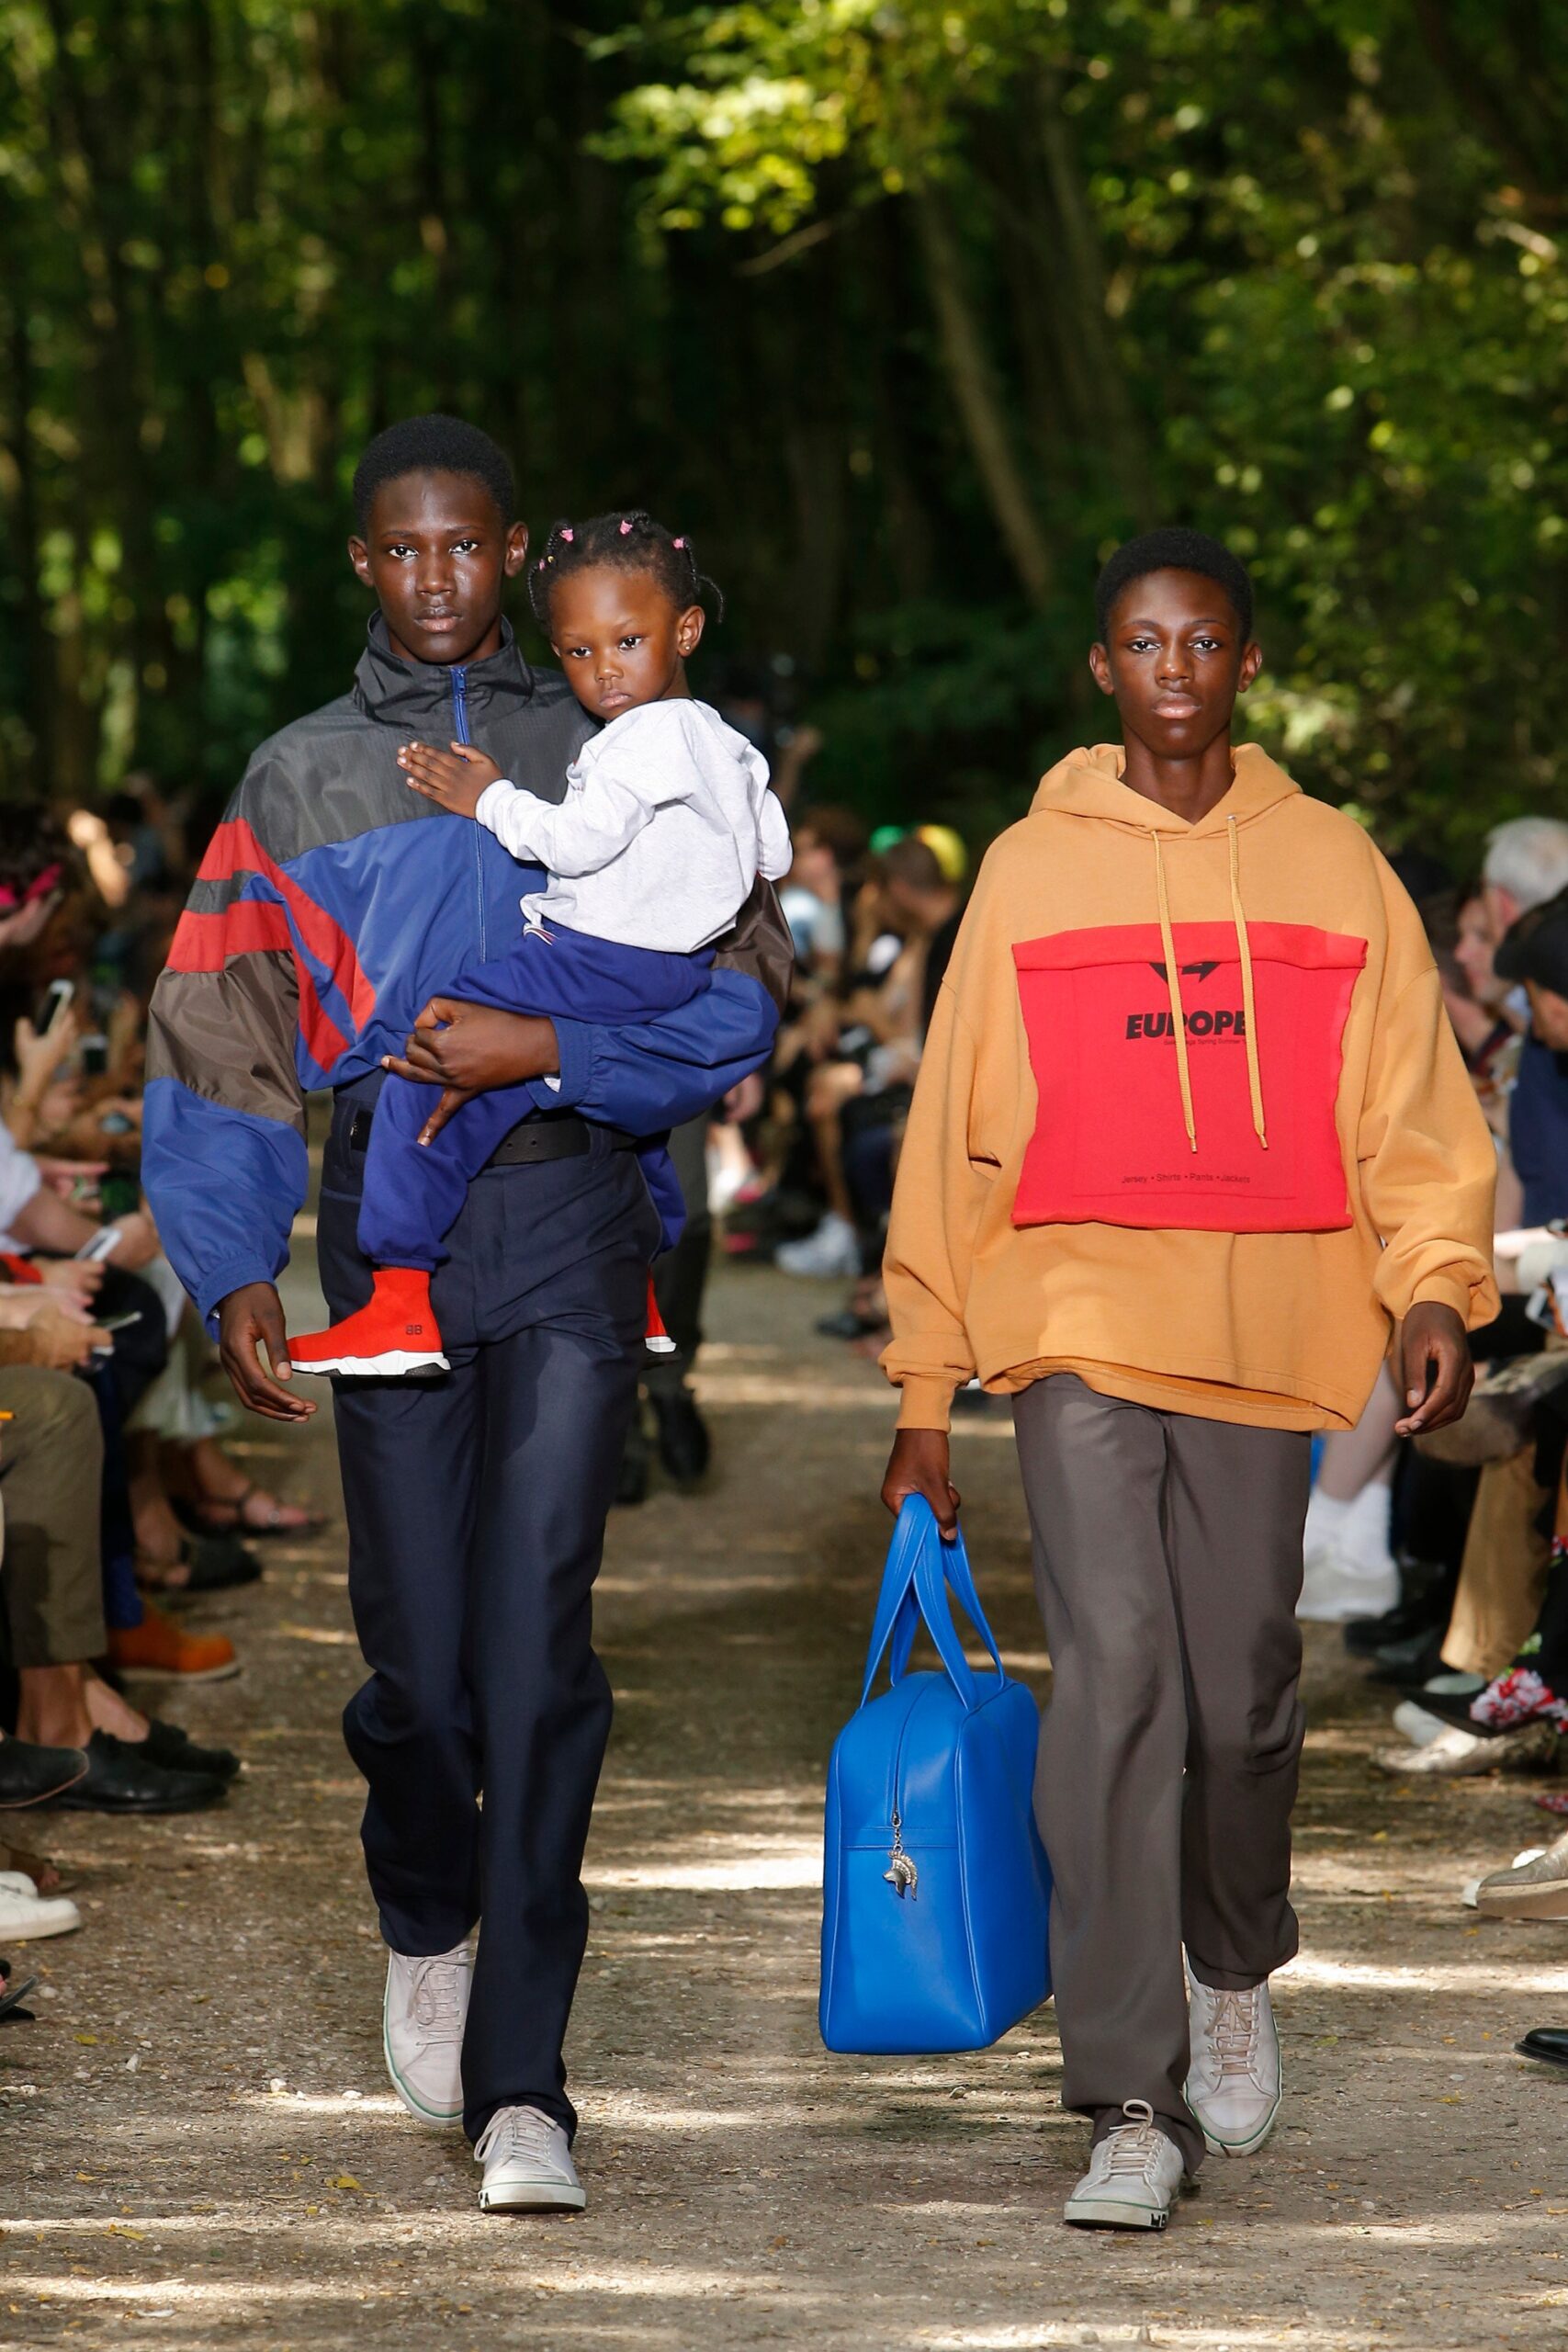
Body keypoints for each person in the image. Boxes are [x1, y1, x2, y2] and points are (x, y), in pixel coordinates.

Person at [141, 414, 786, 2215]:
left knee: (534, 1648)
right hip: (388, 1224)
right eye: (399, 548)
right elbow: (212, 1036)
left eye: (464, 546)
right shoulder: (290, 782)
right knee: (420, 1673)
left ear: (511, 552)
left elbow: (740, 1003)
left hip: (574, 1212)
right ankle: (429, 1910)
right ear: (365, 563)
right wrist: (223, 1271)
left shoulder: (618, 737)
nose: (435, 577)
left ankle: (526, 2075)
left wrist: (555, 1044)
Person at [877, 526, 1497, 2232]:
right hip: (1072, 1317)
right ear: (1102, 668)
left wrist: (1434, 1281)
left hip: (1269, 1330)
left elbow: (1411, 1107)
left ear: (1239, 664)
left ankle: (1232, 1969)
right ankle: (1126, 2093)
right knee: (1117, 1678)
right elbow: (951, 1139)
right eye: (1142, 643)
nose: (1171, 669)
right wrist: (924, 1386)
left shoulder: (1330, 863)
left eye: (1202, 642)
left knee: (1240, 1693)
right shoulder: (1025, 867)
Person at [287, 510, 789, 1376]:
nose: (605, 671)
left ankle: (398, 1300)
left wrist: (490, 797)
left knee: (427, 1060)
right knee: (628, 1126)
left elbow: (575, 843)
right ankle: (643, 1288)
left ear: (687, 629)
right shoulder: (727, 744)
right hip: (675, 972)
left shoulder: (638, 740)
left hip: (593, 959)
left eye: (627, 641)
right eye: (578, 651)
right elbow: (769, 853)